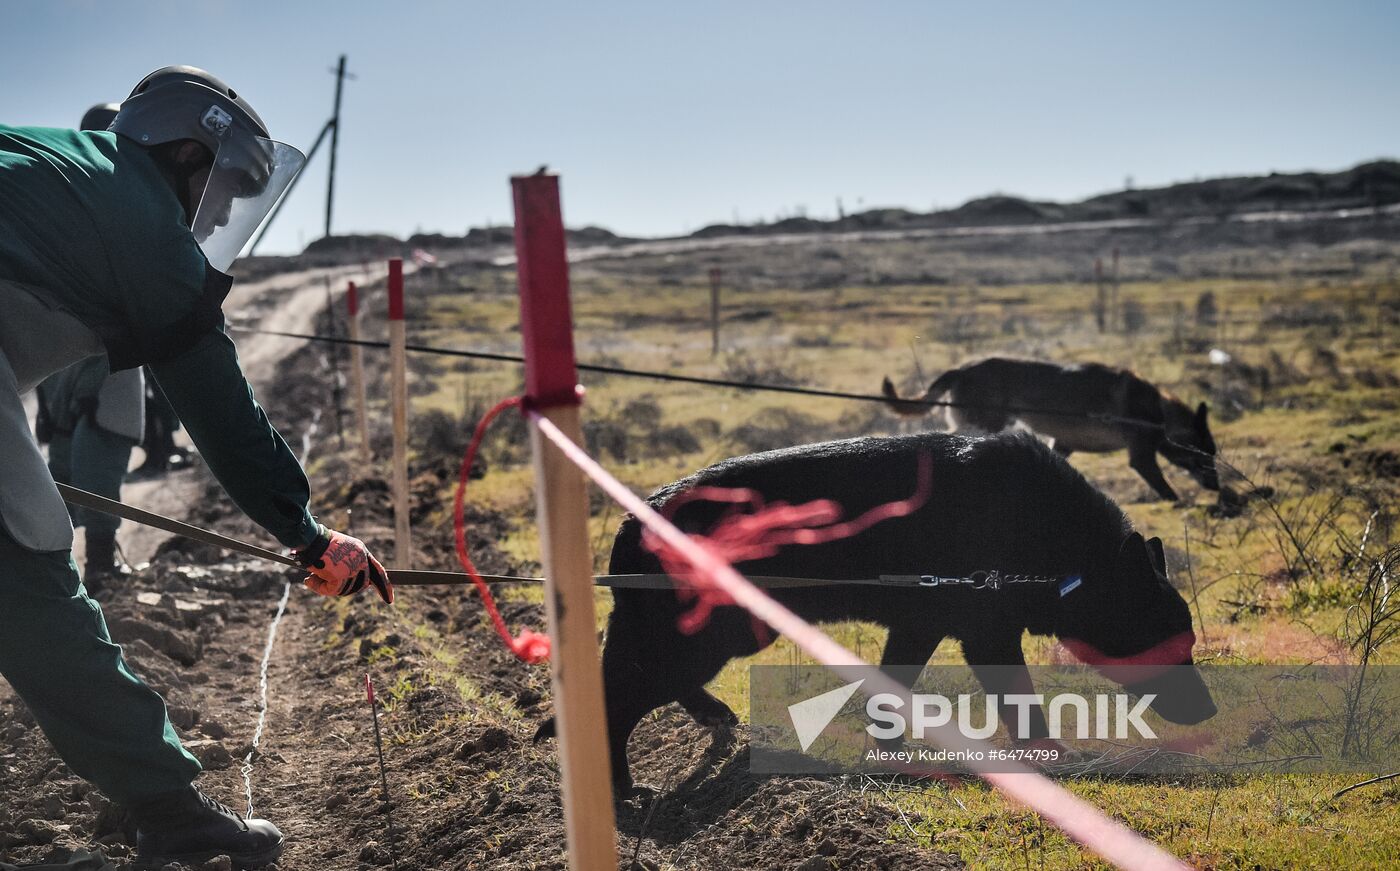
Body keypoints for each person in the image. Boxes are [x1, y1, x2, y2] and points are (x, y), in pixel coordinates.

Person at [0, 67, 393, 869]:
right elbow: (220, 409)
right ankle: (171, 810)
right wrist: (307, 532)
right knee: (29, 564)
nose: (217, 215)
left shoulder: (64, 170)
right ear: (184, 152)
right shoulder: (138, 212)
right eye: (225, 188)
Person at [33, 103, 145, 591]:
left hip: (110, 374)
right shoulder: (62, 200)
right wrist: (45, 398)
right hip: (61, 375)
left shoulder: (136, 205)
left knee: (97, 474)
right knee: (56, 482)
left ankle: (101, 564)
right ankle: (57, 578)